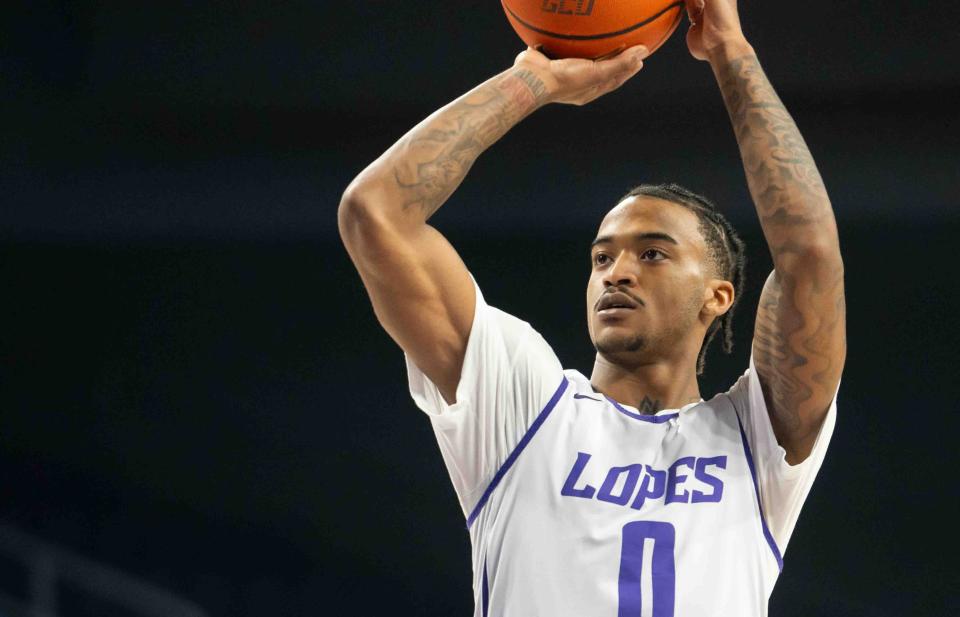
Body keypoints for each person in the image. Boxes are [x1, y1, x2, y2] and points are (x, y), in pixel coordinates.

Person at [338, 0, 846, 614]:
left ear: (718, 295)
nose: (617, 272)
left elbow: (809, 255)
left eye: (653, 253)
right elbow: (374, 212)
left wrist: (731, 52)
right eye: (602, 258)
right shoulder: (523, 406)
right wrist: (533, 81)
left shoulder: (754, 438)